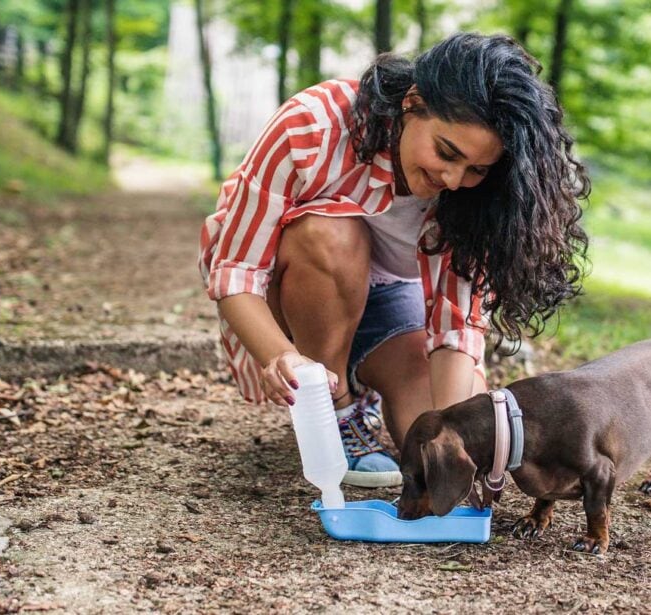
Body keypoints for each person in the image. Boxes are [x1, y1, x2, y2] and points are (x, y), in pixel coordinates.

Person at [198, 33, 589, 488]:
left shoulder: (482, 199)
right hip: (298, 284)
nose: (453, 178)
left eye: (476, 169)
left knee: (433, 444)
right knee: (331, 233)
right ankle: (337, 407)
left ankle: (370, 390)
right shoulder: (314, 125)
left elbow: (456, 326)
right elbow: (235, 271)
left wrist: (454, 433)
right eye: (447, 152)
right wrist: (281, 357)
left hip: (395, 298)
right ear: (413, 102)